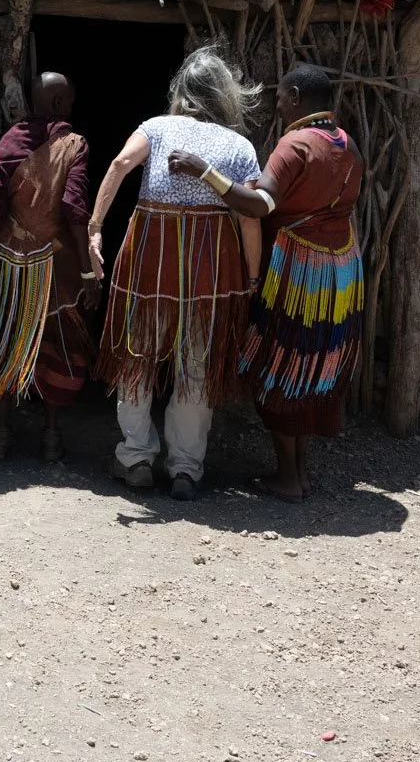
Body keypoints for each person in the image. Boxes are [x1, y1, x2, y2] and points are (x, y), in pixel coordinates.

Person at [175, 62, 364, 503]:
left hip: (298, 272)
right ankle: (299, 471)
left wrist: (204, 171)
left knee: (279, 365)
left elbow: (259, 204)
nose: (276, 104)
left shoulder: (296, 144)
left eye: (280, 96)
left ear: (296, 96)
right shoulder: (347, 144)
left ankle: (288, 479)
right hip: (340, 273)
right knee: (310, 367)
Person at [88, 47, 263, 500]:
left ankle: (135, 458)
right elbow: (249, 218)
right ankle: (185, 468)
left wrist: (95, 228)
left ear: (182, 91)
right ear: (226, 97)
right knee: (197, 362)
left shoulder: (157, 127)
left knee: (138, 352)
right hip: (210, 266)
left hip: (152, 254)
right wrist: (253, 276)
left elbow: (120, 164)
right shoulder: (239, 146)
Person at [0, 71, 99, 463]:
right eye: (70, 102)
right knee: (58, 341)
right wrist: (88, 269)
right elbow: (75, 209)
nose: (72, 110)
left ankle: (0, 434)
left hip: (9, 258)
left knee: (7, 337)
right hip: (55, 261)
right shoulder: (74, 145)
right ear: (59, 104)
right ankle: (51, 436)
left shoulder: (10, 140)